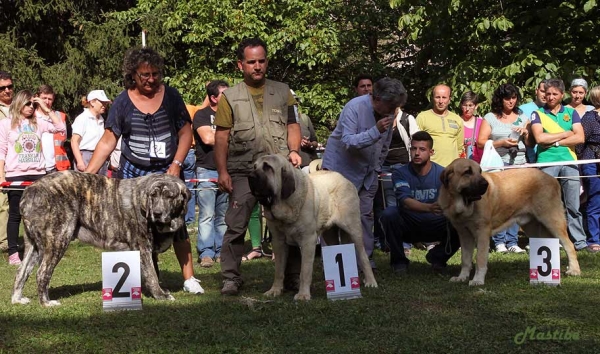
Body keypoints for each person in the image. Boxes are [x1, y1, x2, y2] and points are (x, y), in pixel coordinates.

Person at [84, 47, 205, 294]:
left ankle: (189, 279)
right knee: (134, 230)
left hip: (167, 172)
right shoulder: (121, 102)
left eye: (155, 74)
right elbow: (108, 140)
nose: (151, 79)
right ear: (133, 75)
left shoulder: (171, 96)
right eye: (144, 75)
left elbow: (185, 133)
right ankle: (137, 284)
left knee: (178, 226)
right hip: (132, 176)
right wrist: (87, 175)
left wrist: (176, 165)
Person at [214, 37, 302, 296]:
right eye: (251, 62)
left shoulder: (283, 91)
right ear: (240, 65)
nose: (257, 66)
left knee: (291, 223)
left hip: (280, 170)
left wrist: (294, 150)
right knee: (236, 224)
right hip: (244, 170)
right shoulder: (229, 97)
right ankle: (231, 277)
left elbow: (293, 126)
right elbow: (221, 136)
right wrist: (222, 171)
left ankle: (292, 277)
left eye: (261, 61)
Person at [321, 77, 407, 268]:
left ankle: (364, 261)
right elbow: (349, 141)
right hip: (340, 172)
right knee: (333, 219)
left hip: (368, 173)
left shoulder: (389, 111)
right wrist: (375, 130)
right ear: (377, 99)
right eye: (390, 105)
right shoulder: (354, 107)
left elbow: (384, 144)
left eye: (395, 106)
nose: (393, 110)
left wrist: (377, 167)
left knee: (365, 217)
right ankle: (334, 264)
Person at [379, 131, 460, 274]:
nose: (417, 153)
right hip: (410, 224)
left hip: (437, 223)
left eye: (422, 149)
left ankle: (438, 257)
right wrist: (429, 207)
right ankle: (399, 262)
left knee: (463, 218)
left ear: (431, 152)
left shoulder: (443, 173)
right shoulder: (400, 173)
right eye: (413, 148)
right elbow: (405, 201)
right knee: (389, 214)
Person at [0, 90, 66, 265]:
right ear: (19, 103)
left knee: (39, 215)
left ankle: (39, 251)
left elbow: (61, 129)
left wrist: (44, 107)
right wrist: (1, 176)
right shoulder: (6, 124)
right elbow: (2, 151)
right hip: (15, 174)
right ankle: (13, 253)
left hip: (37, 174)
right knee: (15, 214)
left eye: (33, 104)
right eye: (28, 103)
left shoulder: (39, 123)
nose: (30, 107)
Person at [530, 78, 587, 251]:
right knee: (546, 205)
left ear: (562, 95)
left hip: (569, 161)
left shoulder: (571, 113)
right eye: (548, 94)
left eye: (555, 94)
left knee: (573, 206)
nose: (551, 97)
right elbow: (540, 138)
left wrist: (554, 142)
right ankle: (548, 241)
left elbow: (580, 137)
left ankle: (579, 242)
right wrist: (565, 133)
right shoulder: (537, 114)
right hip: (547, 163)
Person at [478, 83, 529, 253]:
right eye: (507, 98)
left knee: (516, 204)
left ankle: (513, 242)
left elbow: (529, 143)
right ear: (500, 99)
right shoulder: (490, 117)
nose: (511, 101)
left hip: (519, 163)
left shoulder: (523, 115)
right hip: (498, 165)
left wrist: (527, 133)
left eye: (514, 98)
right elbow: (480, 142)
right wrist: (501, 143)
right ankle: (499, 241)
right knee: (499, 204)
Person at [193, 79, 229, 267]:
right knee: (207, 214)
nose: (229, 97)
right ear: (214, 98)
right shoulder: (202, 115)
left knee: (223, 215)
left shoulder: (232, 116)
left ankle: (222, 251)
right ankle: (206, 253)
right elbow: (207, 138)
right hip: (207, 170)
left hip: (226, 171)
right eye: (225, 94)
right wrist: (227, 138)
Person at [373, 105, 418, 255]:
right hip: (383, 166)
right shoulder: (378, 119)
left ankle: (404, 243)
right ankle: (385, 241)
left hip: (402, 166)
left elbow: (416, 141)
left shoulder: (407, 119)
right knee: (384, 205)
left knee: (401, 203)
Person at [576, 85, 600, 253]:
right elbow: (580, 143)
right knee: (594, 200)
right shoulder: (589, 117)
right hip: (592, 161)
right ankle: (594, 239)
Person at [416, 84, 464, 167]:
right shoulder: (422, 117)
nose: (441, 101)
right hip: (429, 169)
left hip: (452, 170)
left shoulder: (457, 119)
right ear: (432, 98)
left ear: (449, 99)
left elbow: (460, 147)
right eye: (437, 97)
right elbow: (416, 145)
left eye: (444, 97)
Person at [71, 90, 111, 175]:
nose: (104, 105)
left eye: (105, 103)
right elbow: (74, 141)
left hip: (100, 155)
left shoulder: (101, 119)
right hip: (86, 157)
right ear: (92, 102)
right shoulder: (82, 118)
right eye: (102, 102)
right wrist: (80, 161)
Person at [35, 84, 70, 173]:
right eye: (44, 98)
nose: (46, 102)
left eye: (49, 99)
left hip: (57, 167)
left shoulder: (59, 116)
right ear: (37, 98)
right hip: (37, 167)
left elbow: (64, 137)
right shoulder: (31, 117)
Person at [519, 79, 549, 163]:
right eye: (542, 91)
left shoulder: (554, 111)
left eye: (547, 92)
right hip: (528, 158)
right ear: (536, 91)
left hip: (548, 157)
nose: (544, 95)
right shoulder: (522, 109)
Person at [0, 71, 14, 253]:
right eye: (2, 88)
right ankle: (3, 242)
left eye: (10, 86)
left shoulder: (20, 107)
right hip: (1, 161)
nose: (7, 90)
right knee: (2, 203)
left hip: (18, 162)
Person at [292, 90, 319, 170]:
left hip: (309, 165)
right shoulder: (281, 121)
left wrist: (309, 144)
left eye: (295, 101)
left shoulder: (305, 118)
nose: (294, 104)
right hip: (292, 166)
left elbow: (315, 142)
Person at [459, 91, 483, 162]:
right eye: (465, 105)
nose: (467, 109)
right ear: (461, 105)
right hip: (461, 163)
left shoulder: (482, 123)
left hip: (478, 163)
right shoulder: (457, 122)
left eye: (470, 105)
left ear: (476, 106)